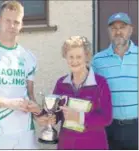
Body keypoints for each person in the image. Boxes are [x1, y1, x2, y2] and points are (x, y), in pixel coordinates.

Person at [0, 0, 46, 149]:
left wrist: (39, 114)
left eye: (16, 22)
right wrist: (8, 103)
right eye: (7, 21)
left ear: (21, 25)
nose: (12, 26)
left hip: (26, 133)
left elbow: (30, 96)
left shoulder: (29, 57)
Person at [52, 36, 112, 149]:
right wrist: (50, 118)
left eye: (79, 57)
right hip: (67, 145)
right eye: (71, 57)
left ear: (87, 57)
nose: (74, 61)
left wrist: (79, 117)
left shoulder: (100, 83)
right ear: (65, 57)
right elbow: (57, 113)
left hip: (94, 145)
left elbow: (106, 117)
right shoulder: (61, 83)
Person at [92, 12, 138, 150]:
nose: (118, 32)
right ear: (108, 32)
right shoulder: (98, 60)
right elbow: (90, 92)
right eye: (113, 28)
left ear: (130, 30)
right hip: (108, 128)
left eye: (122, 27)